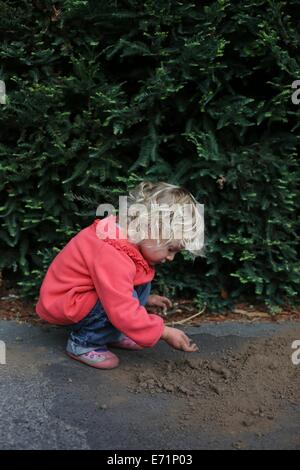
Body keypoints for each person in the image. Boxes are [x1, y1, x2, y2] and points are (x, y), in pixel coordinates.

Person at [35, 181, 205, 369]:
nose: (171, 257)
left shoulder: (127, 239)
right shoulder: (112, 253)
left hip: (84, 296)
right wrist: (163, 332)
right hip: (67, 302)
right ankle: (84, 343)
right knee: (117, 304)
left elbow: (122, 287)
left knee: (141, 280)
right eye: (170, 249)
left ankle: (110, 333)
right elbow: (119, 303)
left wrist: (145, 297)